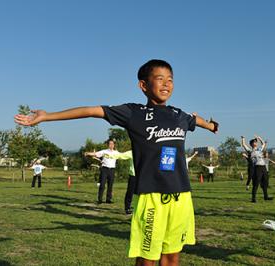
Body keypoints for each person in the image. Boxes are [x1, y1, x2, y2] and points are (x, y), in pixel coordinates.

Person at [14, 59, 218, 266]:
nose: (166, 84)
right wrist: (48, 116)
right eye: (160, 79)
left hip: (181, 196)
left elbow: (196, 121)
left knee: (172, 257)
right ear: (143, 86)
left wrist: (211, 125)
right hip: (151, 196)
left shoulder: (179, 115)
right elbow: (92, 111)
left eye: (170, 80)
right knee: (147, 259)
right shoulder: (133, 113)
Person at [85, 140, 119, 204]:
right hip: (104, 169)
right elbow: (95, 154)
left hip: (112, 170)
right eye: (110, 144)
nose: (111, 145)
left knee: (110, 185)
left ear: (114, 145)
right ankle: (100, 199)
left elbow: (123, 155)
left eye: (112, 144)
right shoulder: (104, 151)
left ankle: (108, 200)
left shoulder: (116, 152)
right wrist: (88, 153)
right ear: (108, 145)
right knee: (102, 185)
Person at [242, 135, 272, 202]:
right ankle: (253, 198)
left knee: (265, 182)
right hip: (257, 167)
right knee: (256, 183)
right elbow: (243, 144)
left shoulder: (259, 149)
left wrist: (259, 138)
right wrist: (243, 138)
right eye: (254, 142)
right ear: (251, 144)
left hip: (263, 167)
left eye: (256, 142)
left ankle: (266, 197)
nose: (256, 143)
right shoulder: (250, 150)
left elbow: (263, 144)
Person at [106, 150, 136, 215]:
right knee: (130, 192)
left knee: (141, 193)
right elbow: (121, 155)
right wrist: (110, 155)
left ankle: (139, 208)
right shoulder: (132, 152)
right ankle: (127, 208)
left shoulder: (146, 150)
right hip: (133, 176)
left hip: (143, 176)